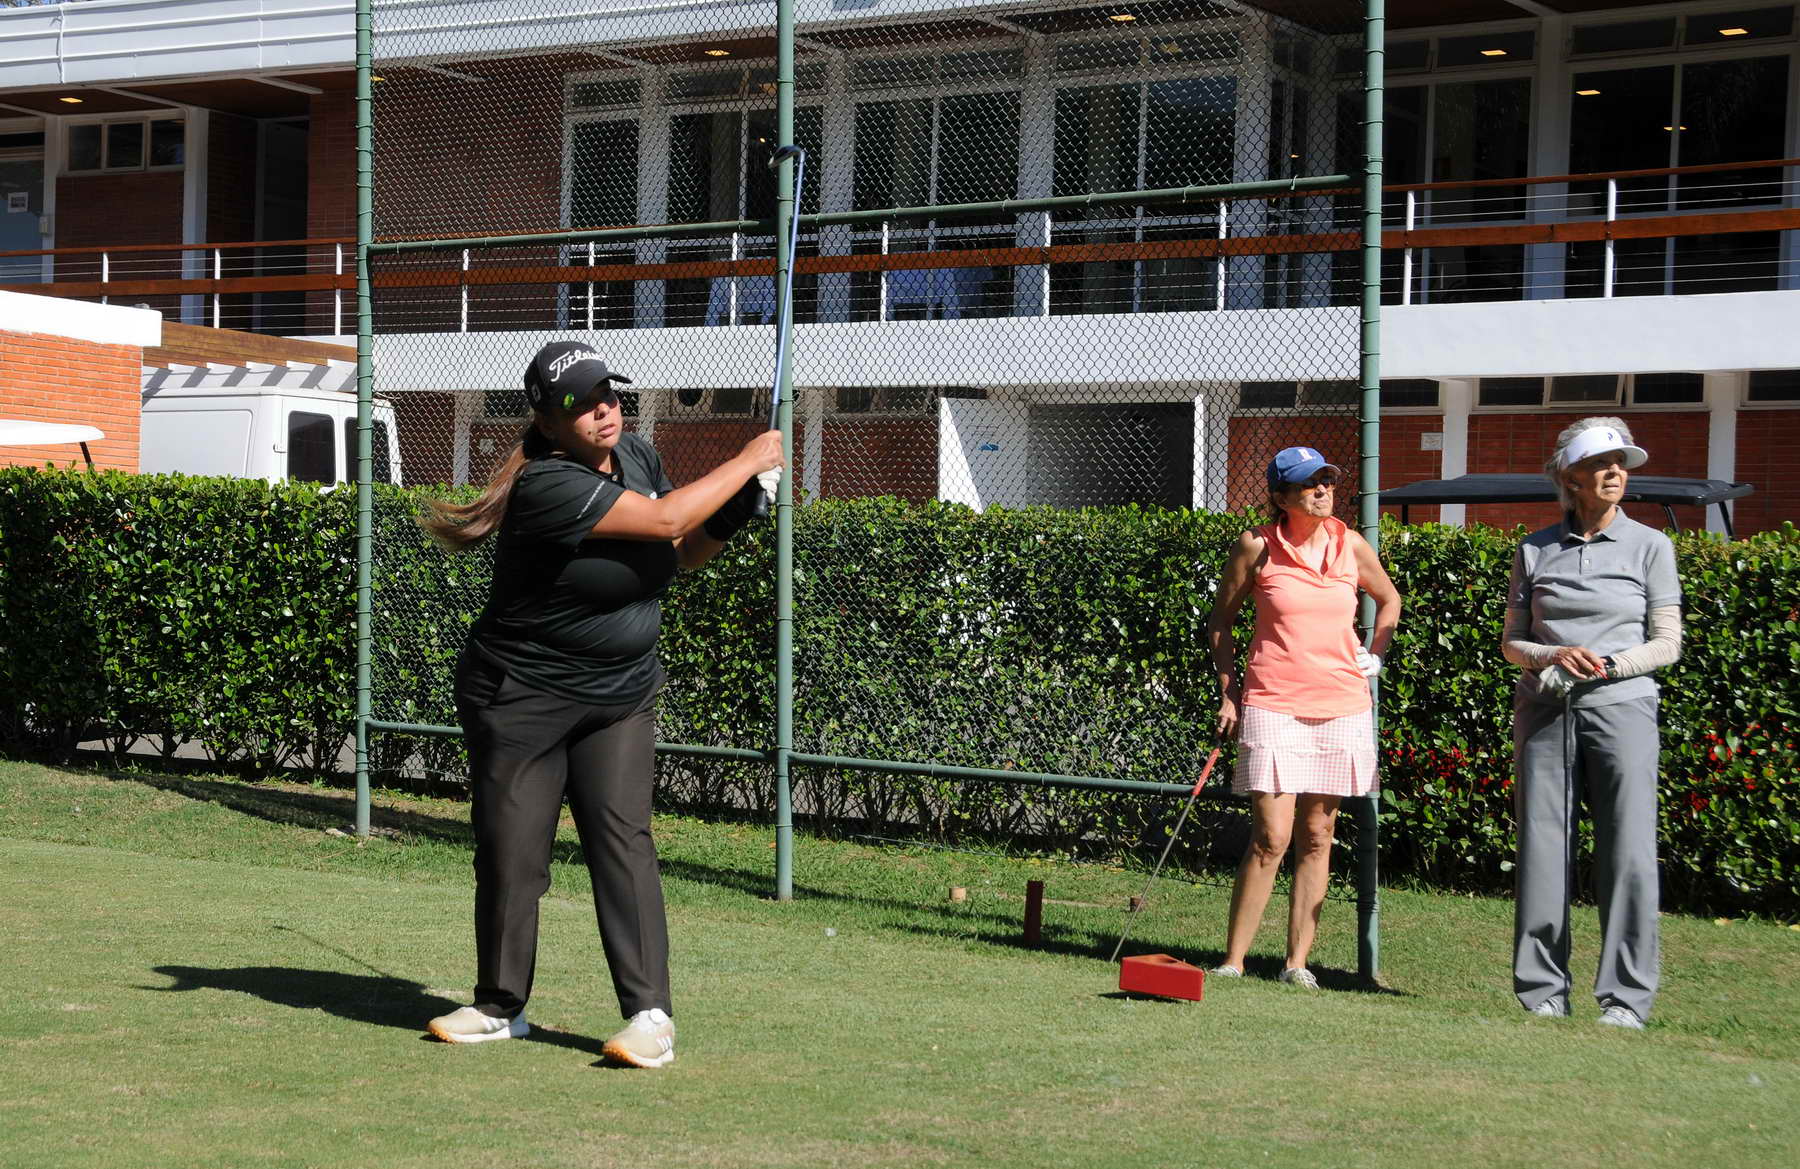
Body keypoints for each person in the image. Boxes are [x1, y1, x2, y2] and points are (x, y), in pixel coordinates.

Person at [416, 340, 784, 1067]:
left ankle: (651, 1017)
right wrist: (747, 460)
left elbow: (682, 549)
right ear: (549, 423)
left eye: (608, 394)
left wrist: (740, 507)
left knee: (623, 841)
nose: (603, 410)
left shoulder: (638, 456)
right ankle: (499, 1007)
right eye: (581, 404)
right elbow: (666, 521)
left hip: (619, 694)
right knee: (513, 854)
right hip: (521, 695)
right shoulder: (547, 484)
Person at [1504, 417, 1681, 1031]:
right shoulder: (1534, 548)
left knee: (1629, 851)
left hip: (1623, 709)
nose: (1614, 473)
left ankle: (1626, 999)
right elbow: (1513, 643)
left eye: (1620, 463)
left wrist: (1606, 666)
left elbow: (1667, 643)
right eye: (1601, 463)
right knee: (1542, 848)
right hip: (1545, 711)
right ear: (1570, 476)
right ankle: (1542, 992)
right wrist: (1554, 655)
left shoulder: (1652, 546)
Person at [1205, 446, 1400, 988]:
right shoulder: (1256, 545)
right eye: (1309, 483)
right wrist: (1229, 692)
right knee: (1271, 836)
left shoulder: (1350, 543)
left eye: (1327, 481)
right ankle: (1233, 961)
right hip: (1273, 701)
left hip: (1342, 705)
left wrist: (1375, 653)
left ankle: (1296, 965)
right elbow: (1221, 621)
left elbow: (1389, 599)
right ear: (1280, 496)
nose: (1322, 491)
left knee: (1318, 834)